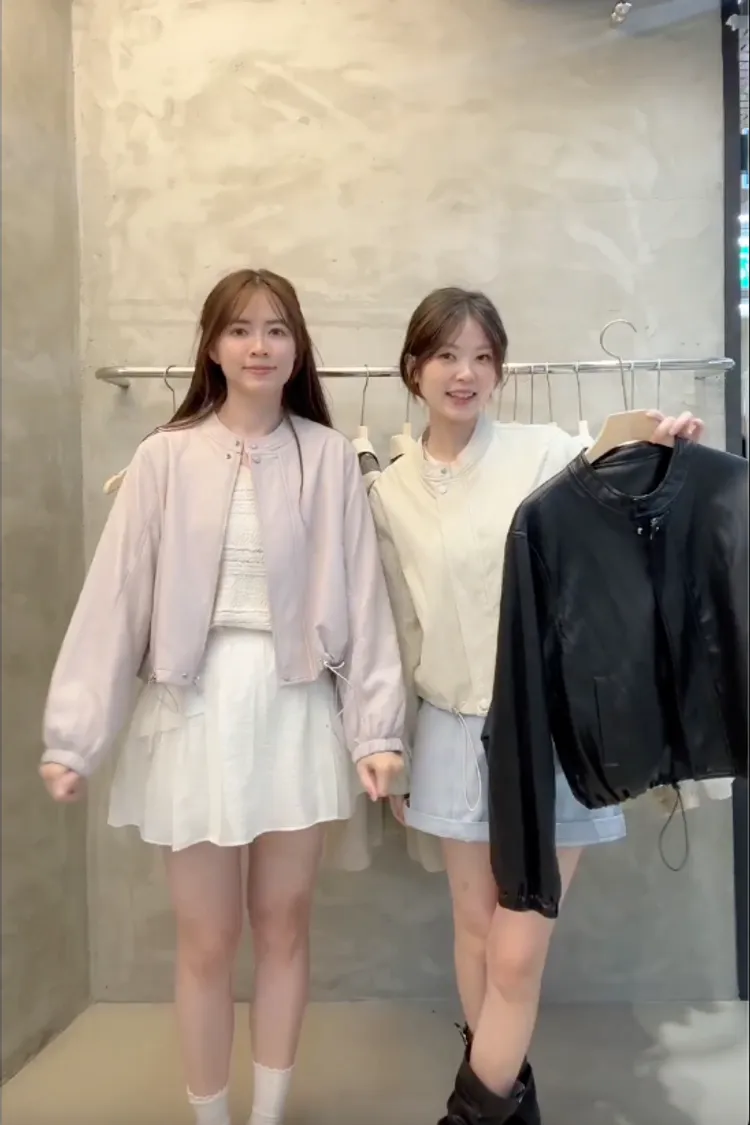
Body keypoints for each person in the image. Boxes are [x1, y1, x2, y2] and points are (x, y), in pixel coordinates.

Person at [39, 268, 407, 1125]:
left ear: (297, 348)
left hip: (294, 709)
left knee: (283, 925)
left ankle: (268, 1113)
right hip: (193, 710)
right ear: (212, 346)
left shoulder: (328, 457)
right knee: (206, 938)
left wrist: (376, 732)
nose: (259, 345)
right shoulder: (164, 457)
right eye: (240, 329)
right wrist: (75, 737)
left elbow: (364, 601)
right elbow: (114, 600)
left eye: (277, 329)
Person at [367, 287, 704, 1125]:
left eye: (483, 356)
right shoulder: (389, 490)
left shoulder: (540, 452)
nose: (466, 372)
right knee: (476, 932)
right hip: (450, 730)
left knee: (517, 951)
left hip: (547, 730)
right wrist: (394, 742)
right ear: (414, 368)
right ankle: (511, 1105)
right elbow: (398, 626)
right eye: (448, 354)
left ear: (500, 371)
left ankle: (471, 1114)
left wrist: (662, 438)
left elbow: (614, 454)